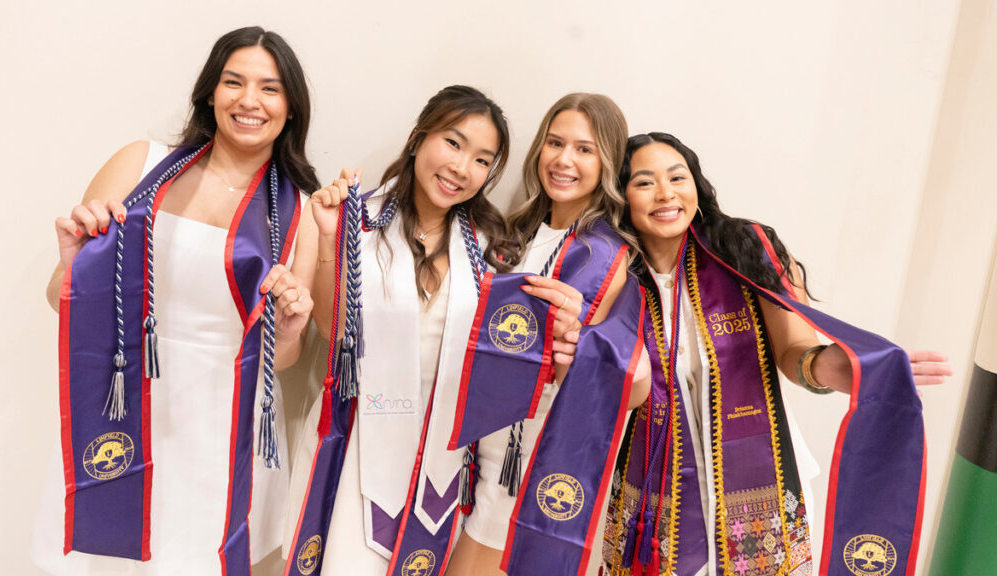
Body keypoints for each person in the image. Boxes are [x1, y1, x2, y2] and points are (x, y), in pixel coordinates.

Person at [35, 26, 318, 575]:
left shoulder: (301, 210)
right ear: (210, 92)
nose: (249, 101)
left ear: (291, 107)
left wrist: (290, 325)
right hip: (126, 401)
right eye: (233, 82)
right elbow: (59, 297)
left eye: (270, 87)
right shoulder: (140, 164)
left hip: (224, 419)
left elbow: (283, 357)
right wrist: (73, 262)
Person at [603, 132, 952, 575]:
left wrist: (830, 366)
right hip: (655, 488)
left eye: (678, 177)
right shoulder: (612, 272)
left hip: (756, 481)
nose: (667, 193)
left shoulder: (742, 250)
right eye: (645, 182)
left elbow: (795, 349)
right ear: (622, 195)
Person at [282, 85, 574, 576]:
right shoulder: (352, 217)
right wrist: (333, 241)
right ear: (419, 137)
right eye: (454, 143)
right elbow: (334, 338)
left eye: (483, 160)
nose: (462, 168)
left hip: (444, 459)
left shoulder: (495, 250)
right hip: (356, 440)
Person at [447, 93, 651, 576]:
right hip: (477, 445)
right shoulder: (512, 233)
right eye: (555, 142)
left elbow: (622, 380)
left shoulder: (608, 257)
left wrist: (574, 340)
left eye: (585, 148)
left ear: (608, 161)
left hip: (538, 455)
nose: (563, 159)